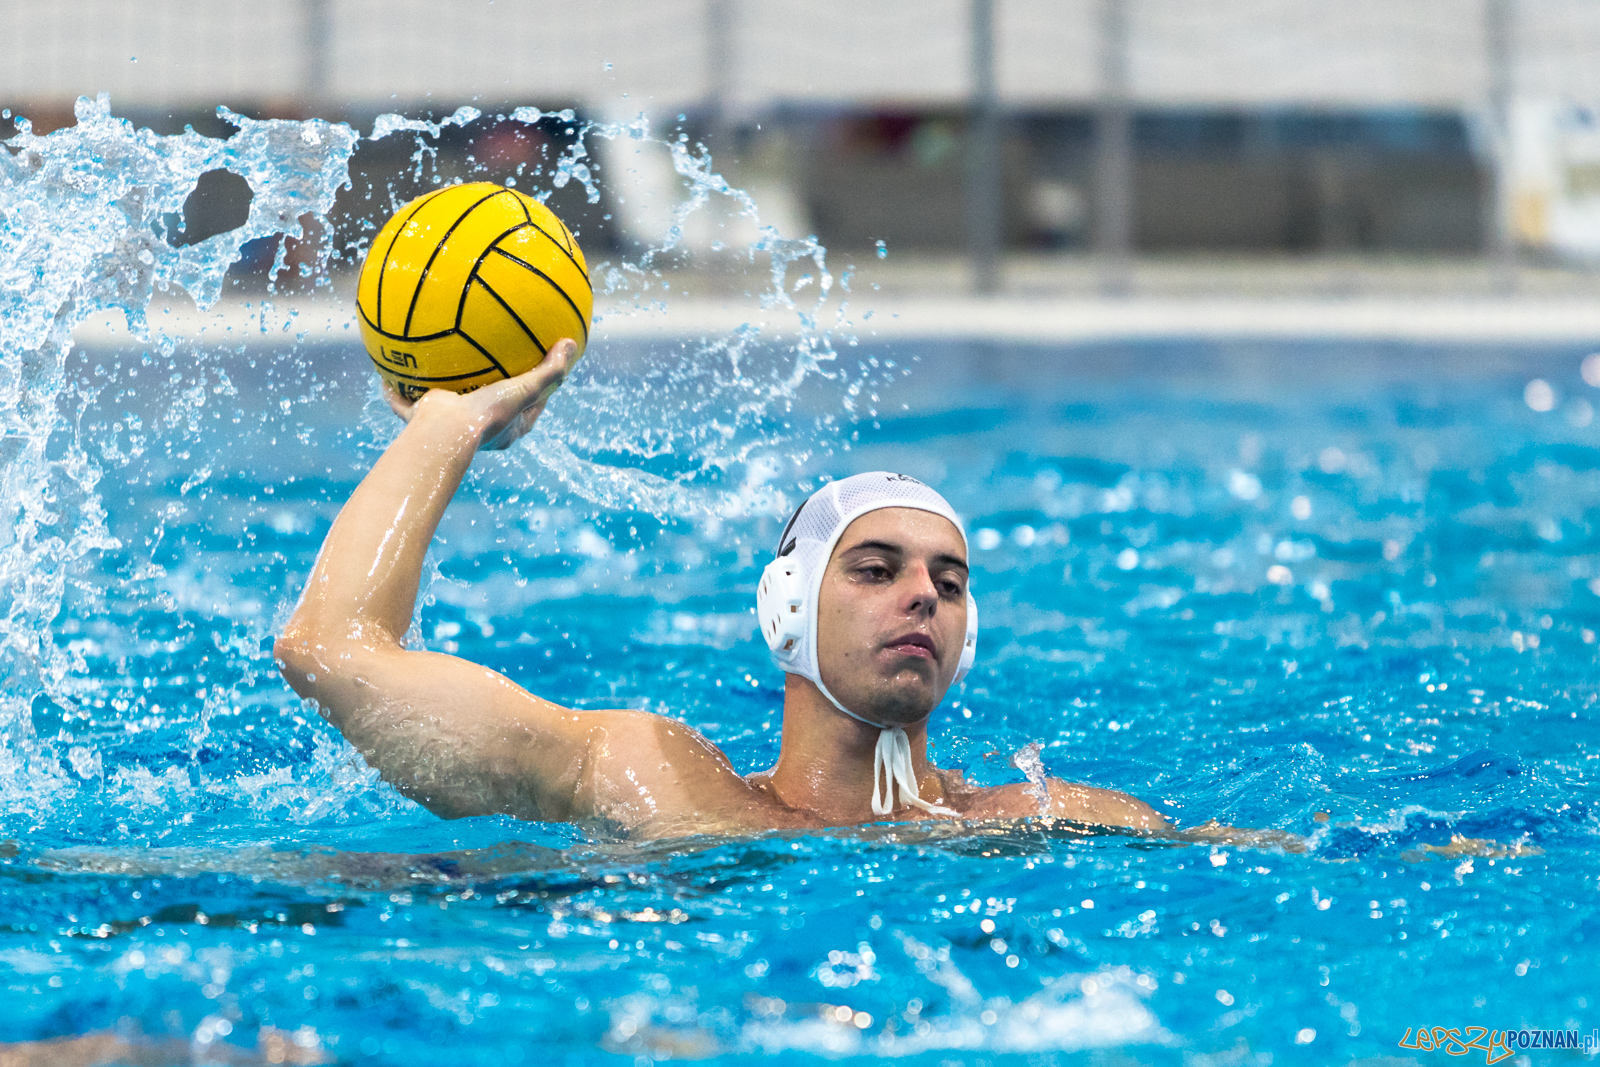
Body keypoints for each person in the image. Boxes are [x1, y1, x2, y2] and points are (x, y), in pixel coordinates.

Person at [275, 338, 1171, 841]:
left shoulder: (1052, 820)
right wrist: (450, 423)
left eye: (950, 581)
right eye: (875, 568)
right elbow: (329, 651)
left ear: (967, 638)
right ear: (787, 608)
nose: (924, 596)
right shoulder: (654, 780)